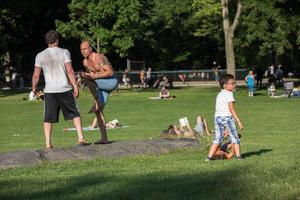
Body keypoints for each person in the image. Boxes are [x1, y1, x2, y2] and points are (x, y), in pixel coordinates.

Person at [32, 30, 89, 148]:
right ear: (57, 39)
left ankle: (48, 143)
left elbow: (36, 75)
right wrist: (75, 86)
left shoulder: (40, 55)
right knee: (75, 113)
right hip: (64, 88)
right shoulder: (64, 52)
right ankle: (80, 137)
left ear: (47, 41)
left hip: (49, 91)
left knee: (48, 117)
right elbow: (70, 71)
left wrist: (34, 88)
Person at [80, 40, 118, 144]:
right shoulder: (85, 62)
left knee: (88, 78)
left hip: (111, 82)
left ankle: (97, 100)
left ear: (90, 49)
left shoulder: (97, 57)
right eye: (81, 49)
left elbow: (110, 72)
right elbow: (92, 78)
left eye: (85, 49)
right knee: (98, 111)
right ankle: (104, 138)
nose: (83, 51)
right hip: (101, 86)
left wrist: (94, 76)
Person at [206, 74, 244, 161]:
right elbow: (231, 109)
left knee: (217, 139)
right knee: (235, 138)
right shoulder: (229, 94)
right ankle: (238, 157)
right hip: (227, 118)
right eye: (232, 83)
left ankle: (209, 157)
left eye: (235, 83)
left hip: (217, 118)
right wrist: (238, 121)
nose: (234, 85)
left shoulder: (219, 94)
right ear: (225, 85)